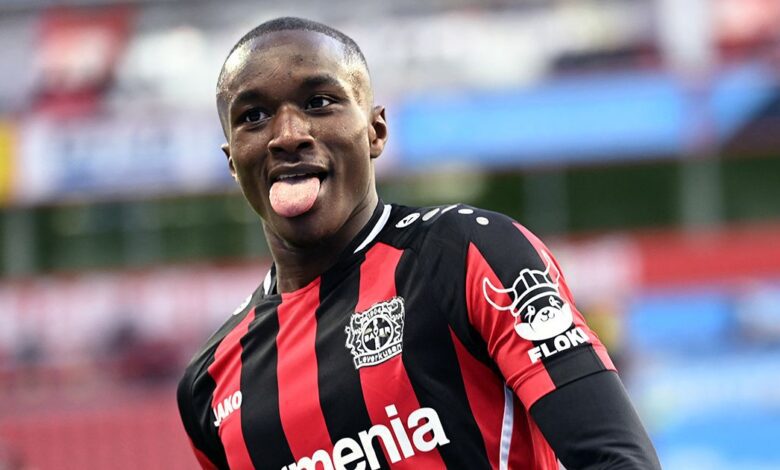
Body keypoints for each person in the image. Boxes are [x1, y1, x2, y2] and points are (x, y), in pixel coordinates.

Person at [177, 17, 661, 470]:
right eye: (254, 116)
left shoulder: (468, 254)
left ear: (375, 130)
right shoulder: (208, 384)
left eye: (319, 102)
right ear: (233, 162)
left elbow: (618, 460)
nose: (288, 135)